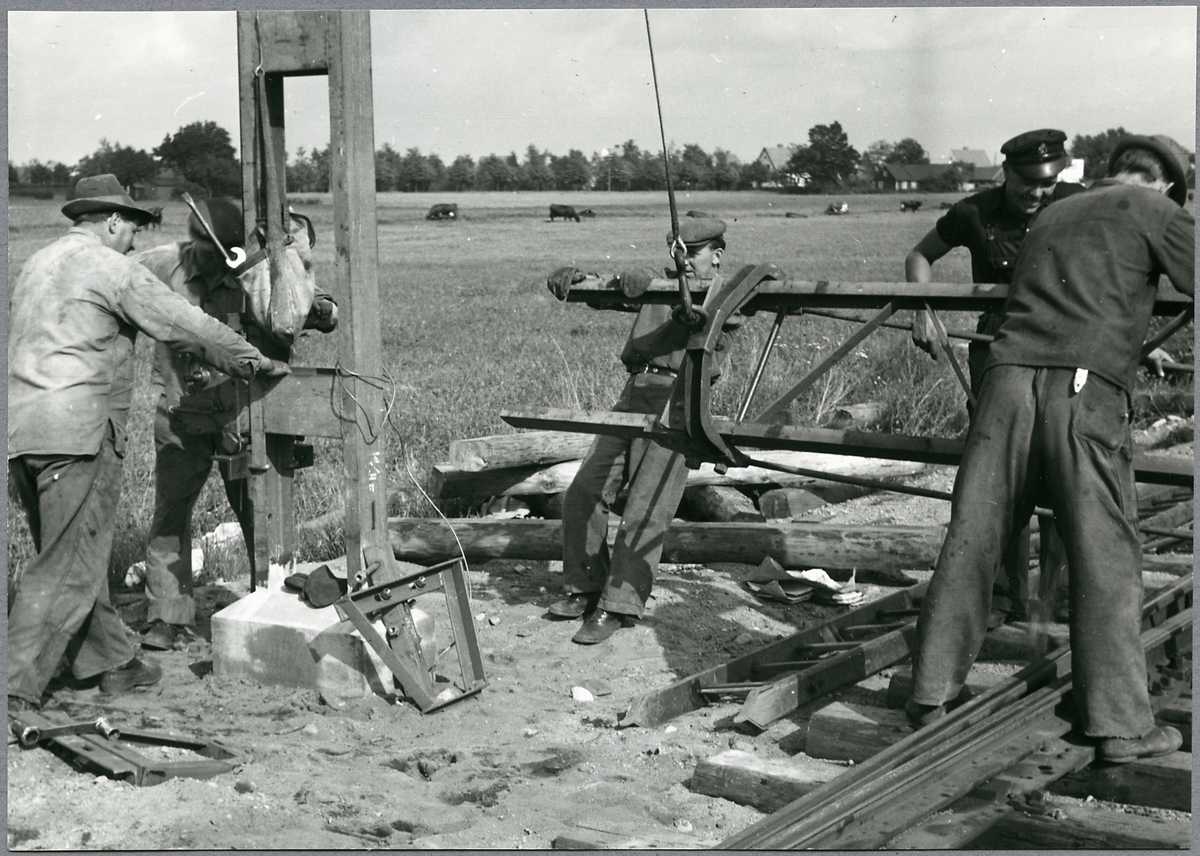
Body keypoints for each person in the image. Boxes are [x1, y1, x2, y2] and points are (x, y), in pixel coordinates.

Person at [906, 135, 1192, 763]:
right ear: (1169, 185)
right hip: (1083, 392)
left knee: (974, 535)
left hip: (1004, 383)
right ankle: (1120, 727)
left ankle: (929, 694)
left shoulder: (1055, 212)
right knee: (1104, 551)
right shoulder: (1158, 210)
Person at [7, 175, 290, 711]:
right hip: (77, 435)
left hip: (23, 433)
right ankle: (13, 687)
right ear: (112, 220)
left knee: (75, 556)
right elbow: (185, 325)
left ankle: (111, 661)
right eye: (132, 228)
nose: (135, 240)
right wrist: (252, 360)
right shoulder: (112, 268)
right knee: (64, 568)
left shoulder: (37, 264)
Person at [134, 199, 338, 651]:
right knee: (171, 512)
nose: (214, 257)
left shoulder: (254, 270)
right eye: (205, 246)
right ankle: (167, 615)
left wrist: (321, 310)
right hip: (182, 410)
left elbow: (306, 304)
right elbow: (115, 279)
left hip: (243, 415)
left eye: (224, 248)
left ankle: (268, 600)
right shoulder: (165, 263)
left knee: (257, 509)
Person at [905, 129, 1085, 626]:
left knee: (1064, 463)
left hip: (1065, 346)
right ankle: (1005, 596)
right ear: (1006, 172)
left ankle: (1059, 597)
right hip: (997, 347)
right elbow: (920, 256)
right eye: (1028, 183)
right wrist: (923, 308)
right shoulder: (974, 212)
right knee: (1000, 469)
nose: (1038, 193)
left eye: (1047, 183)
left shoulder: (1078, 201)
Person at [545, 218, 743, 644]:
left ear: (716, 255)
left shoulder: (729, 293)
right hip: (635, 392)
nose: (684, 260)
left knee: (647, 505)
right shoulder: (659, 283)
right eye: (678, 251)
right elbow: (617, 291)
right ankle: (584, 586)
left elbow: (723, 322)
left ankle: (618, 605)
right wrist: (581, 281)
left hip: (681, 399)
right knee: (584, 490)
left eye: (693, 253)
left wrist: (694, 312)